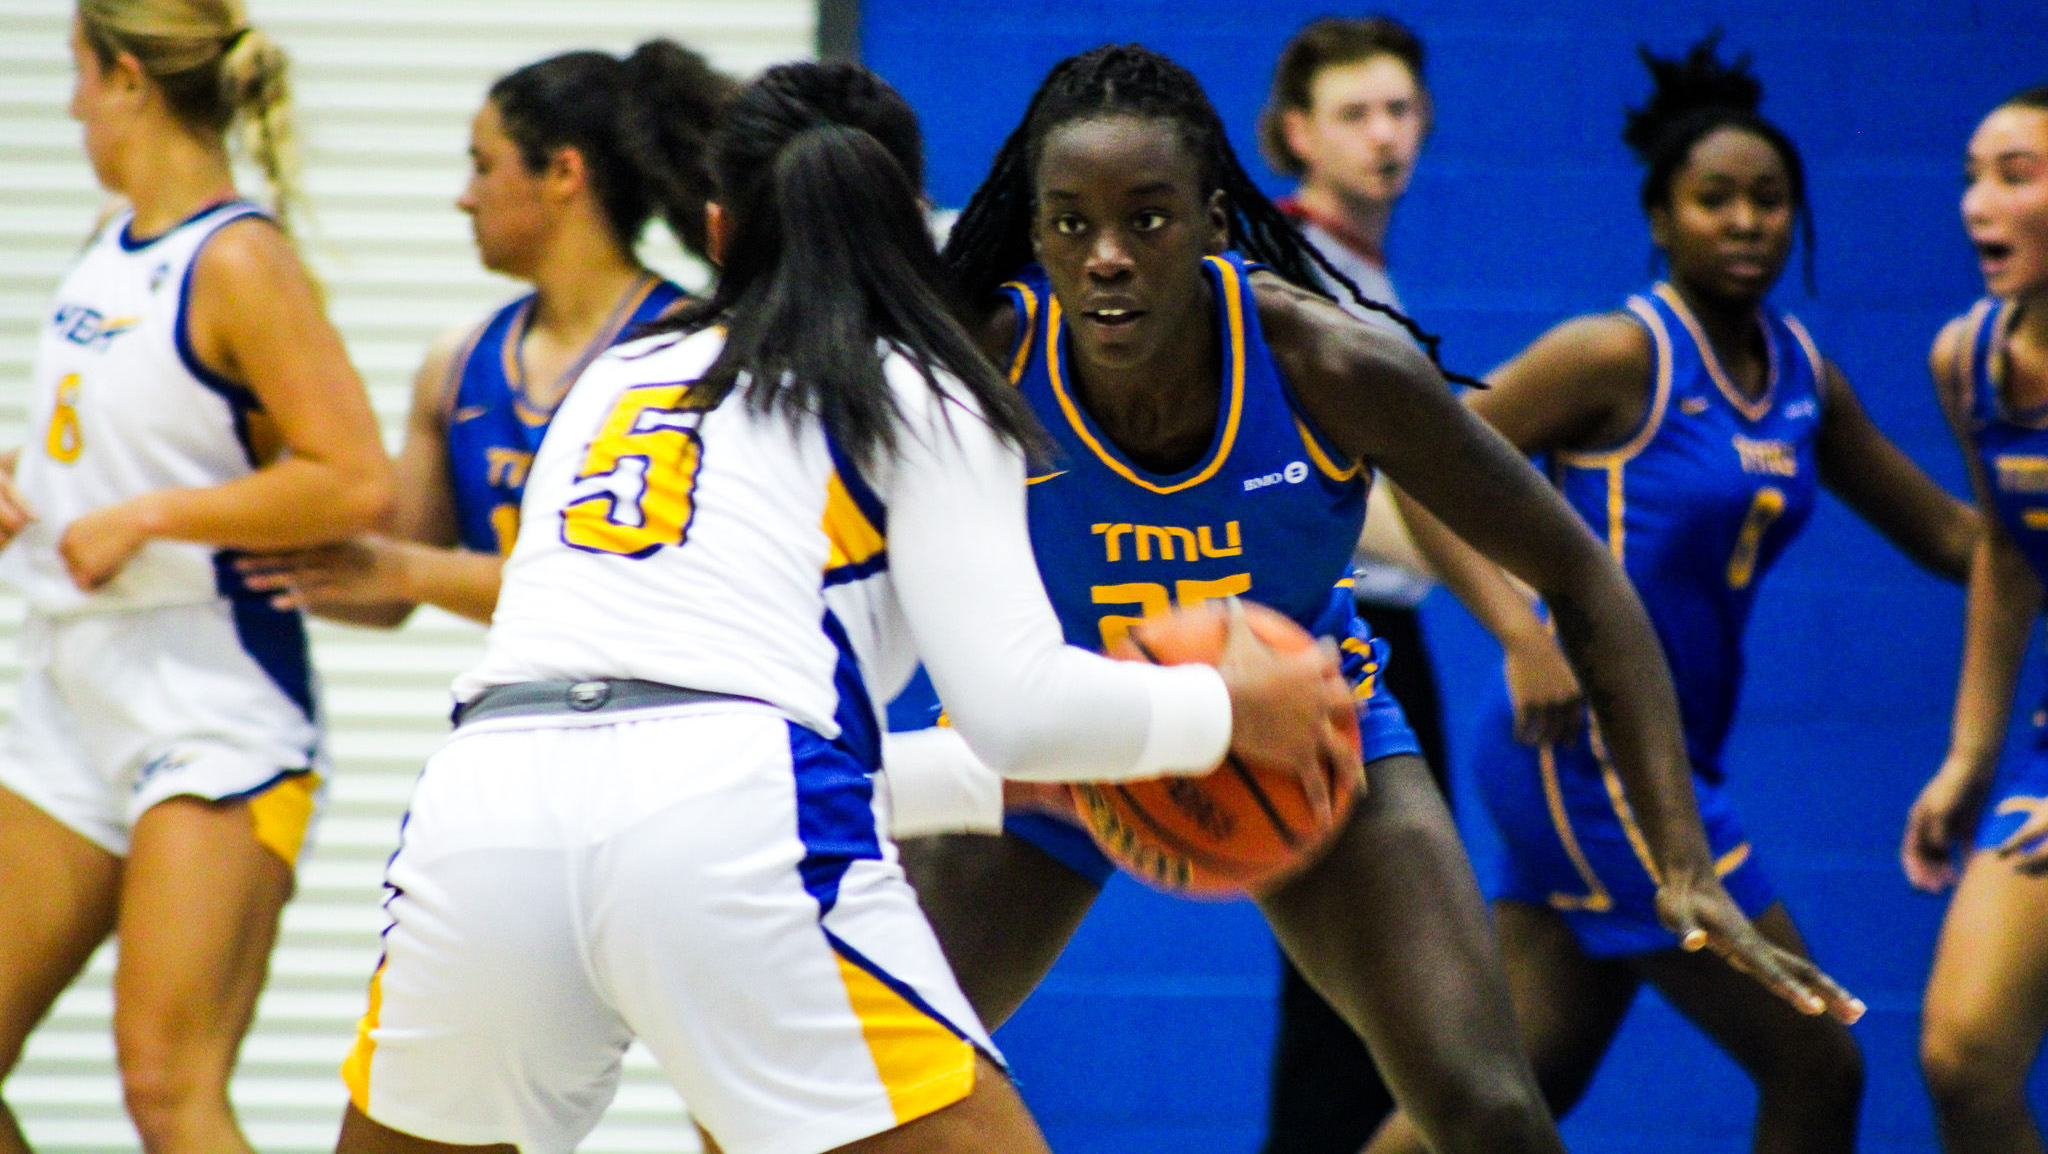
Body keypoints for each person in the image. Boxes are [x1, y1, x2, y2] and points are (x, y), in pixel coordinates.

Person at [332, 60, 1361, 1154]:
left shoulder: (616, 378)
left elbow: (650, 720)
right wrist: (1221, 708)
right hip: (730, 811)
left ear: (720, 232)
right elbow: (999, 703)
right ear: (916, 222)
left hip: (487, 808)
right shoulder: (920, 382)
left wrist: (986, 779)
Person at [899, 43, 1859, 1154]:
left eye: (1147, 219)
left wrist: (1678, 861)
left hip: (1306, 742)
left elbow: (1578, 573)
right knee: (847, 1071)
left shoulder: (1329, 363)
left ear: (1215, 220)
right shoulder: (981, 361)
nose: (1105, 256)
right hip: (1058, 736)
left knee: (1489, 1109)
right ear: (1033, 233)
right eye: (1068, 223)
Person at [1370, 36, 1978, 1154]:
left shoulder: (1801, 375)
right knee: (1816, 1059)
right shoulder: (1616, 353)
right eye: (1713, 200)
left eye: (1767, 199)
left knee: (1511, 1090)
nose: (1744, 221)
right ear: (1658, 217)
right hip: (1586, 754)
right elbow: (1414, 467)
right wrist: (1518, 632)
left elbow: (1950, 535)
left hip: (1670, 757)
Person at [0, 0, 393, 1154]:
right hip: (65, 684)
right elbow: (120, 438)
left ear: (126, 78)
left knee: (166, 1084)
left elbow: (350, 477)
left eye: (77, 74)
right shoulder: (110, 241)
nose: (68, 106)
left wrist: (150, 518)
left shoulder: (238, 258)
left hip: (208, 702)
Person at [1256, 15, 1584, 1154]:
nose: (1384, 135)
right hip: (1321, 647)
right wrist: (1516, 614)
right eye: (1353, 113)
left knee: (1361, 1001)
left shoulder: (1359, 269)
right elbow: (1376, 490)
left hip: (1372, 641)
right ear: (1295, 131)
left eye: (1399, 110)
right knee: (1363, 996)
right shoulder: (1295, 266)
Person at [239, 43, 729, 626]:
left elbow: (630, 584)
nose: (464, 198)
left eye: (483, 166)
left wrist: (411, 570)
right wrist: (228, 505)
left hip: (660, 703)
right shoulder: (458, 362)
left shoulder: (692, 350)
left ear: (564, 173)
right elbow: (385, 593)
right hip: (522, 706)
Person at [1906, 84, 2048, 1153]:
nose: (1975, 205)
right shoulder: (1969, 359)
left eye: (2014, 174)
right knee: (1961, 1054)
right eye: (1970, 176)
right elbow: (2005, 548)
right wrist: (1968, 755)